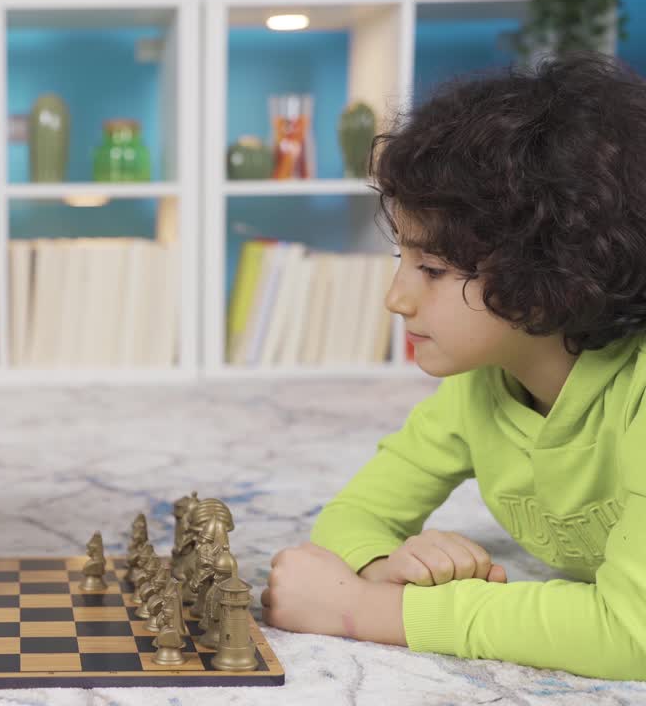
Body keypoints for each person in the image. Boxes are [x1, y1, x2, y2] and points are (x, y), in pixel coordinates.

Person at [262, 52, 646, 680]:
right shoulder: (481, 388)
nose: (396, 298)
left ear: (554, 272)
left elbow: (632, 632)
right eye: (401, 258)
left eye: (432, 270)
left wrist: (365, 609)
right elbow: (355, 516)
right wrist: (381, 564)